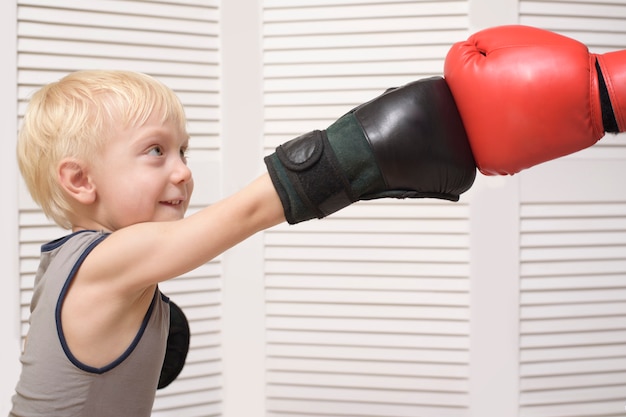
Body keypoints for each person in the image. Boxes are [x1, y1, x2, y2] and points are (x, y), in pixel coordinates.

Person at [10, 69, 475, 416]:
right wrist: (355, 150)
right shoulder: (103, 261)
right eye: (155, 150)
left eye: (182, 151)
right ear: (80, 180)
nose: (183, 171)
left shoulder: (61, 266)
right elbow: (249, 211)